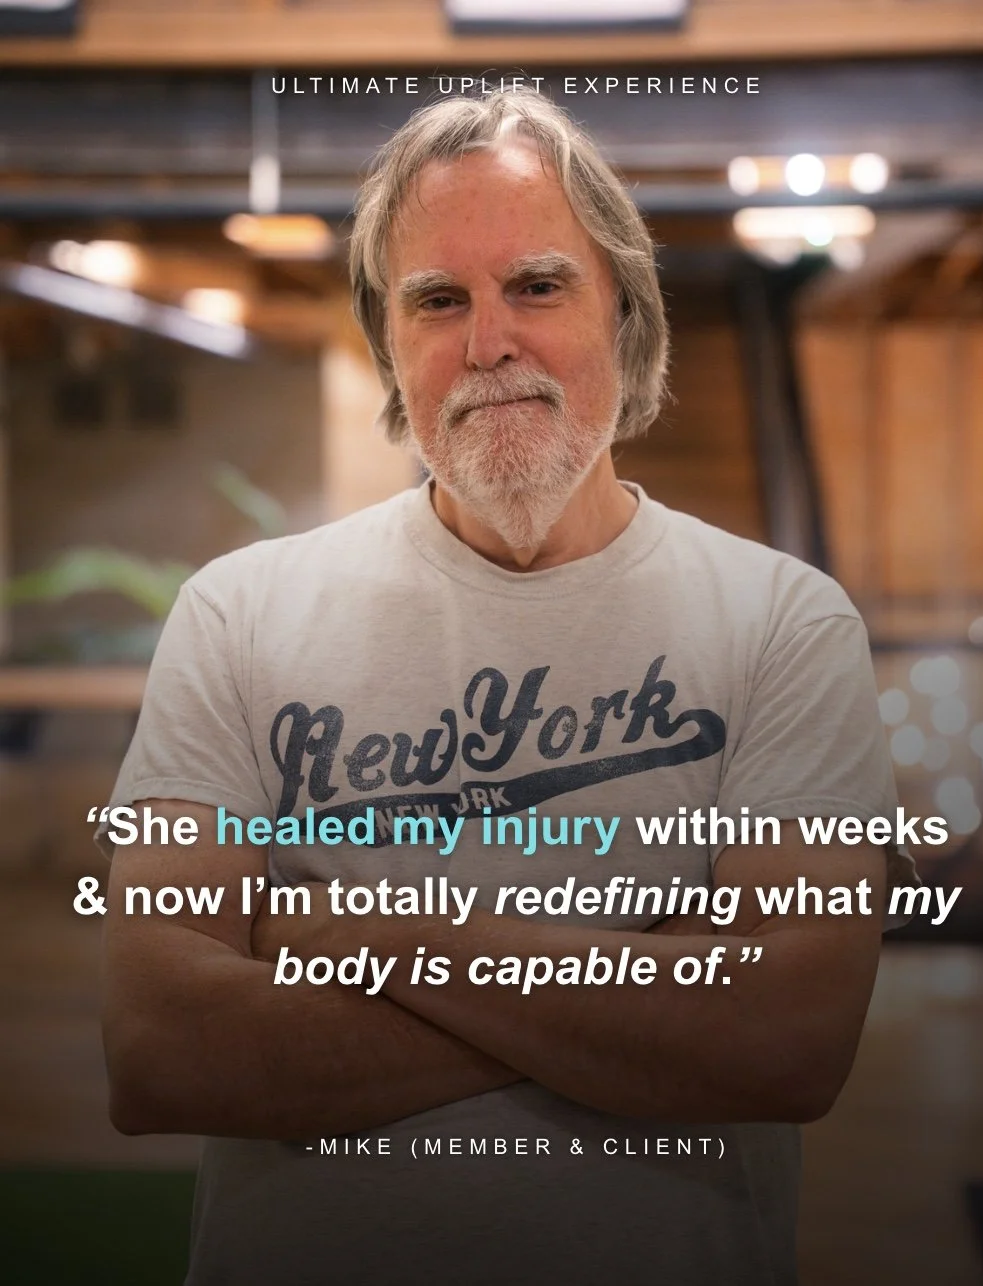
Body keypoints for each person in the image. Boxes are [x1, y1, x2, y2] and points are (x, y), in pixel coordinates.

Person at [100, 89, 915, 1286]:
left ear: (624, 318)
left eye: (536, 285)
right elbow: (159, 1053)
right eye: (438, 299)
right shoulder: (239, 611)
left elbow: (781, 1043)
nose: (489, 342)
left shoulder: (783, 622)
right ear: (390, 346)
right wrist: (641, 981)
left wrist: (357, 934)